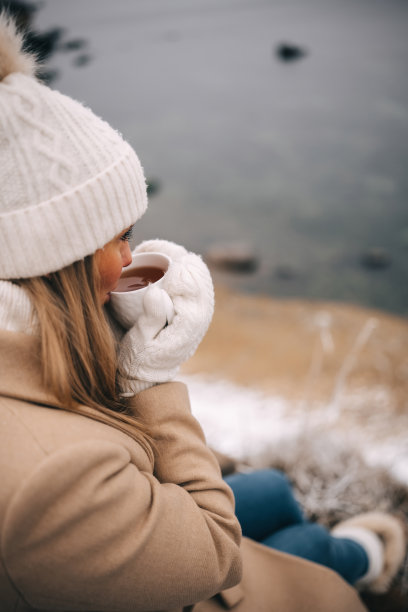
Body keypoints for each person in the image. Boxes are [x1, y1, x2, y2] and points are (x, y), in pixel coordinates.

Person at [0, 14, 405, 612]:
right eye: (115, 239)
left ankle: (349, 555)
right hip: (185, 579)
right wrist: (150, 377)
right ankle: (363, 560)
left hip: (118, 545)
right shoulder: (51, 477)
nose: (130, 257)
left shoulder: (24, 342)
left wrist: (106, 335)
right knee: (299, 554)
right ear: (54, 265)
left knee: (268, 488)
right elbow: (216, 553)